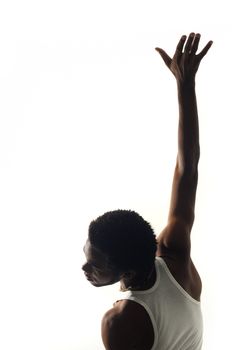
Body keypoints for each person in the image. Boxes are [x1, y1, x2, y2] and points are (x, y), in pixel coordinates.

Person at [82, 33, 213, 350]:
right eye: (88, 258)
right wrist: (185, 86)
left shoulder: (121, 320)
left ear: (124, 270)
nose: (85, 269)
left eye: (95, 265)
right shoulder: (175, 256)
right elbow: (188, 166)